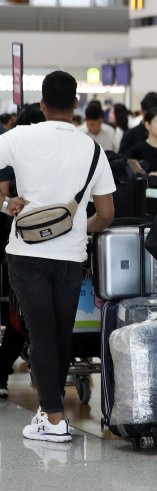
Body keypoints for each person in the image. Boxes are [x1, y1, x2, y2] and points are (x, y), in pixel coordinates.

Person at [0, 71, 116, 442]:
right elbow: (107, 213)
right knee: (60, 332)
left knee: (40, 332)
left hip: (26, 250)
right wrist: (78, 227)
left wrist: (6, 203)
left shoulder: (17, 136)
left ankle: (52, 419)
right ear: (76, 104)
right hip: (70, 255)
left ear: (42, 104)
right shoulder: (93, 149)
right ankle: (51, 412)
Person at [0, 103, 47, 400]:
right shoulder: (12, 150)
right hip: (18, 243)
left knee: (24, 315)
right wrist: (10, 208)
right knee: (19, 315)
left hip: (38, 242)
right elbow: (3, 197)